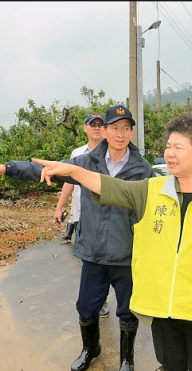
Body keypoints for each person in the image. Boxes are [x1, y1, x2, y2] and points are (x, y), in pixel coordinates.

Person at [33, 113, 192, 371]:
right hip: (163, 301)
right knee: (171, 365)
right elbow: (109, 185)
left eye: (179, 147)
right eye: (168, 146)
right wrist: (73, 171)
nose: (170, 152)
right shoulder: (151, 190)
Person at [0, 105, 155, 371]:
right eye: (114, 127)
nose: (120, 134)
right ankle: (90, 349)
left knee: (126, 310)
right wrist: (7, 168)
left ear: (132, 131)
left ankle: (126, 360)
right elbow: (45, 169)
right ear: (104, 131)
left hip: (126, 255)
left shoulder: (142, 169)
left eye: (126, 128)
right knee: (86, 308)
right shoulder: (85, 162)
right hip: (93, 252)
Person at [54, 111, 110, 318]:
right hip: (81, 214)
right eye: (92, 124)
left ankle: (101, 299)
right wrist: (60, 206)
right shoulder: (77, 154)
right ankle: (98, 300)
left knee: (106, 259)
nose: (96, 127)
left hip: (107, 215)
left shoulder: (113, 151)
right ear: (85, 128)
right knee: (89, 259)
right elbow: (69, 182)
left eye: (100, 124)